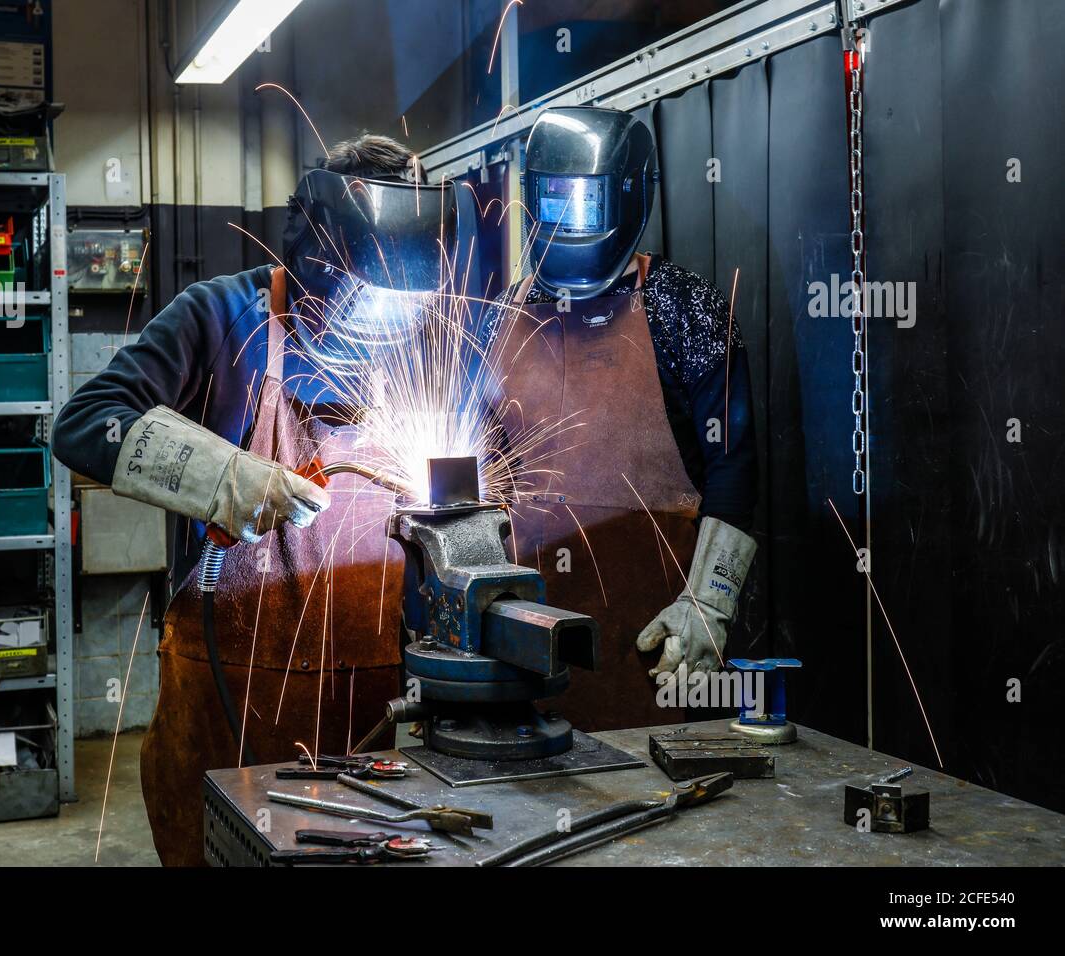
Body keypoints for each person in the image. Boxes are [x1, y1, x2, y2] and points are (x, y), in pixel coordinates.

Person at [51, 134, 466, 865]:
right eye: (362, 301)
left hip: (366, 721)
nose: (378, 331)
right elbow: (87, 422)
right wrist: (221, 476)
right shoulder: (222, 315)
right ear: (314, 253)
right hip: (224, 708)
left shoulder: (422, 340)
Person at [485, 106, 758, 731]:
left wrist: (709, 604)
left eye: (584, 204)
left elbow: (735, 468)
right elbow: (485, 473)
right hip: (528, 656)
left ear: (629, 196)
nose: (568, 220)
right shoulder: (503, 315)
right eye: (554, 203)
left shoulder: (684, 309)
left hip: (658, 650)